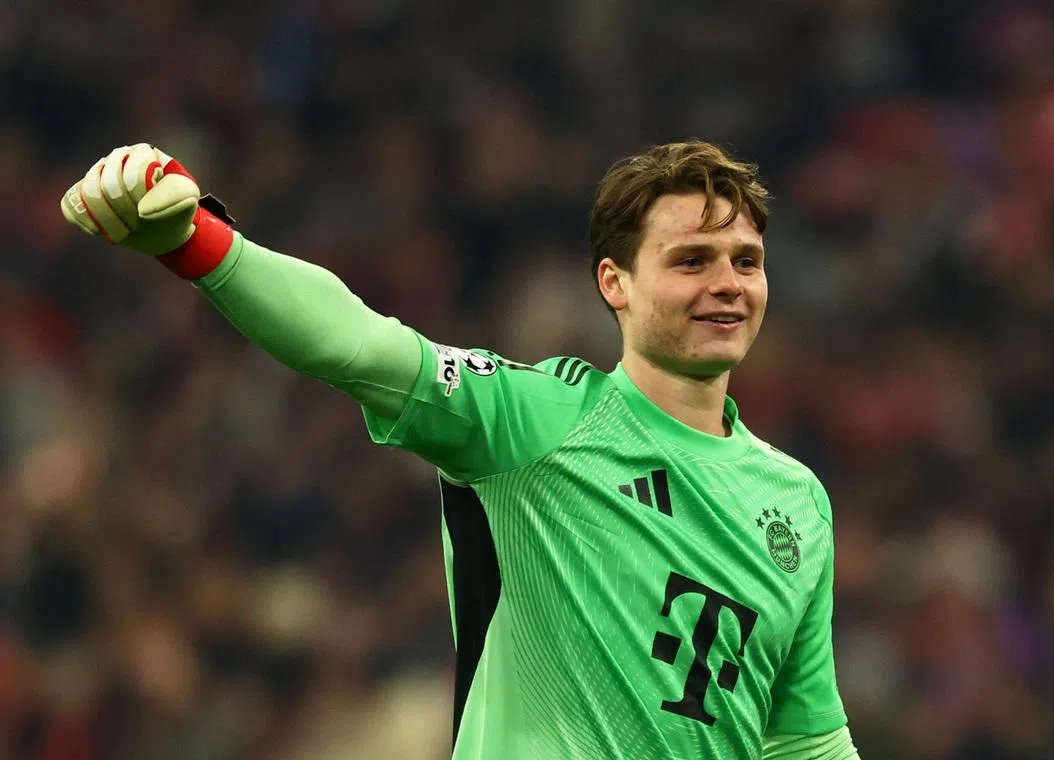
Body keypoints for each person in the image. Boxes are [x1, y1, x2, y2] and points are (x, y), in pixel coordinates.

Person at [60, 140, 861, 759]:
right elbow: (358, 345)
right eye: (692, 260)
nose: (728, 283)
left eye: (746, 262)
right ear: (614, 283)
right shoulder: (541, 421)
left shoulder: (796, 500)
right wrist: (198, 242)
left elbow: (804, 740)